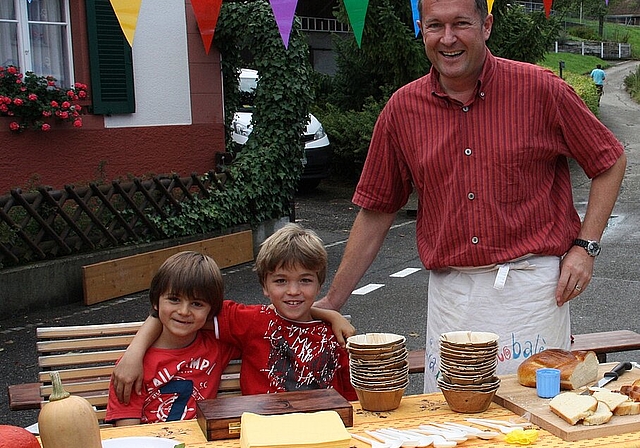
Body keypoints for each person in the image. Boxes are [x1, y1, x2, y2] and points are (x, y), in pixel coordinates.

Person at [314, 0, 626, 394]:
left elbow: (609, 160)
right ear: (421, 29)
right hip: (452, 298)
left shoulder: (540, 89)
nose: (448, 38)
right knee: (454, 425)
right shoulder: (402, 110)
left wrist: (585, 247)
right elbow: (377, 209)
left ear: (486, 25)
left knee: (536, 421)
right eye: (435, 26)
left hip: (533, 293)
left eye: (461, 23)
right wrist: (334, 299)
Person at [112, 223, 358, 403]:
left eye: (305, 281)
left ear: (319, 284)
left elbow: (352, 400)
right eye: (281, 281)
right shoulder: (250, 320)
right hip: (264, 433)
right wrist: (134, 353)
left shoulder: (336, 337)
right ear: (264, 286)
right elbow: (178, 313)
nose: (293, 291)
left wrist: (330, 317)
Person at [105, 251, 240, 426]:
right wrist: (134, 352)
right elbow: (128, 433)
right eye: (174, 299)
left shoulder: (217, 345)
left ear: (211, 311)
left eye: (197, 304)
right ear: (156, 301)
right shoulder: (131, 367)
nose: (184, 311)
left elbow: (261, 322)